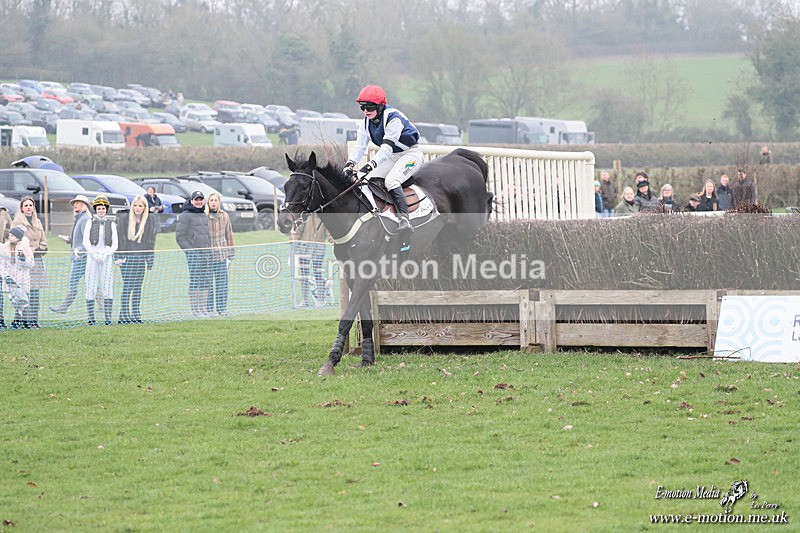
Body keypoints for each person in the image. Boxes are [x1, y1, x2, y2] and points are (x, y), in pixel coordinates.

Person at [343, 84, 422, 231]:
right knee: (366, 180)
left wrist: (370, 165)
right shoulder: (365, 123)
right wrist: (349, 164)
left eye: (369, 107)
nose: (365, 111)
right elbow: (360, 147)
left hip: (410, 154)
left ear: (380, 106)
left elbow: (386, 148)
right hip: (392, 156)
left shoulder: (393, 118)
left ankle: (404, 219)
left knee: (392, 181)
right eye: (362, 107)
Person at [116, 195, 157, 324]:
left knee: (138, 288)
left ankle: (136, 314)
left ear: (145, 207)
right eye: (135, 205)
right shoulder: (125, 219)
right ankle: (123, 315)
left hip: (140, 259)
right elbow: (119, 239)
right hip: (127, 259)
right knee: (127, 286)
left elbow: (150, 241)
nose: (137, 208)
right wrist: (118, 257)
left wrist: (150, 259)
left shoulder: (149, 221)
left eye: (140, 206)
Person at [50, 195, 92, 314]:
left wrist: (79, 251)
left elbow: (87, 240)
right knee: (91, 282)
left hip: (82, 258)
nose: (75, 205)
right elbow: (80, 238)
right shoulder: (80, 218)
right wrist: (69, 240)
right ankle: (102, 306)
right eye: (74, 203)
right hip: (80, 257)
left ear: (84, 205)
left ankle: (64, 307)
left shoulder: (84, 219)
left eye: (78, 203)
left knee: (74, 282)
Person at [12, 196, 47, 328]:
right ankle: (20, 320)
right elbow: (14, 242)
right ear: (22, 208)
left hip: (37, 261)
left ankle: (34, 320)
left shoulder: (38, 222)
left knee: (35, 293)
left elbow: (44, 241)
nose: (28, 207)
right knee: (23, 292)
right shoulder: (16, 222)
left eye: (30, 205)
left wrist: (41, 249)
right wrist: (30, 250)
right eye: (26, 205)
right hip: (23, 262)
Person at [83, 195, 118, 326]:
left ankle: (108, 318)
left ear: (106, 209)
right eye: (99, 208)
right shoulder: (90, 222)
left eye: (103, 208)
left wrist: (104, 255)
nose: (101, 211)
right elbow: (86, 242)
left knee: (107, 286)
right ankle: (91, 319)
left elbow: (115, 244)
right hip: (92, 257)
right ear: (96, 209)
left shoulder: (111, 224)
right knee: (90, 286)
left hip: (106, 257)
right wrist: (95, 255)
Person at [176, 190, 211, 317]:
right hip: (194, 255)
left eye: (201, 199)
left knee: (205, 281)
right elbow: (180, 237)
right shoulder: (185, 215)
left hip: (205, 254)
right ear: (191, 201)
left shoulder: (204, 215)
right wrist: (191, 252)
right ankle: (195, 310)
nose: (199, 202)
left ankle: (203, 309)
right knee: (195, 281)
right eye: (196, 199)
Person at [206, 192, 235, 316]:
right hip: (208, 256)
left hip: (222, 255)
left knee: (222, 284)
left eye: (215, 200)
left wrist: (231, 253)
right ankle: (209, 310)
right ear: (208, 203)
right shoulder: (204, 217)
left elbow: (229, 234)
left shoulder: (225, 216)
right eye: (211, 200)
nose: (213, 202)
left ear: (219, 202)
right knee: (208, 284)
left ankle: (221, 309)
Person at [291, 214, 328, 307]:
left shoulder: (324, 218)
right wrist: (293, 241)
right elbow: (297, 232)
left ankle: (320, 300)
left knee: (318, 274)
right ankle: (305, 300)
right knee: (304, 276)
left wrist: (335, 242)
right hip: (304, 250)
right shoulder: (305, 216)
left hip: (318, 250)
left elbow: (329, 233)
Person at [1, 226, 34, 329]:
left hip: (23, 279)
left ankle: (18, 322)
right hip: (10, 279)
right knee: (18, 301)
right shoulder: (4, 248)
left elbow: (31, 264)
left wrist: (24, 260)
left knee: (22, 301)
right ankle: (20, 322)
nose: (9, 237)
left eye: (12, 235)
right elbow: (2, 265)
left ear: (18, 237)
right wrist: (6, 276)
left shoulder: (25, 248)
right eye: (9, 235)